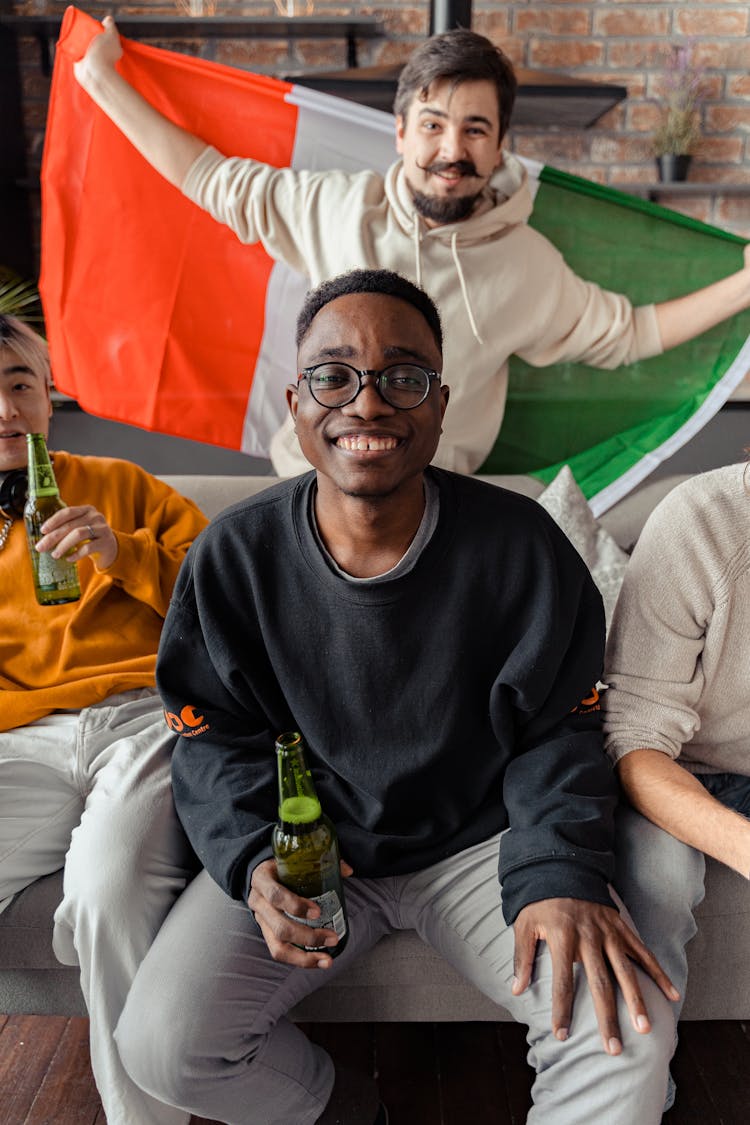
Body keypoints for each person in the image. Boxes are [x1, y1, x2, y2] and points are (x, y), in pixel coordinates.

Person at [110, 269, 678, 1125]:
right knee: (160, 1042)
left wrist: (560, 870)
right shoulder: (232, 558)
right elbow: (212, 734)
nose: (366, 404)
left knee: (622, 1040)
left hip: (481, 845)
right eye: (333, 376)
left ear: (440, 404)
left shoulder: (523, 546)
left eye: (402, 377)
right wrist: (255, 858)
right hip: (317, 855)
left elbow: (563, 729)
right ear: (297, 405)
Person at [73, 20, 750, 479]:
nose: (452, 151)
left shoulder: (529, 266)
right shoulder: (338, 208)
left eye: (475, 129)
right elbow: (211, 179)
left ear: (500, 142)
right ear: (400, 133)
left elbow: (630, 333)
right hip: (311, 489)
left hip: (435, 510)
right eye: (434, 125)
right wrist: (102, 82)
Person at [0, 315, 208, 1125]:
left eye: (21, 384)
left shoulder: (123, 484)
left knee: (108, 889)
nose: (7, 408)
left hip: (145, 719)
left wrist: (121, 552)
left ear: (49, 397)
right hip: (23, 736)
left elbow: (225, 603)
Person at [602, 461, 750, 1051]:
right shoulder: (703, 521)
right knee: (657, 884)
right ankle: (634, 1075)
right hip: (675, 765)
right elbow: (633, 736)